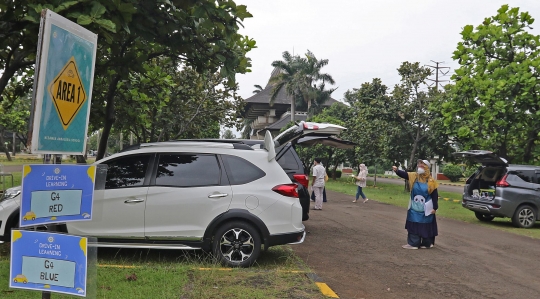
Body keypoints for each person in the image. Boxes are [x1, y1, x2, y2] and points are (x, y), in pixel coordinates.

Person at [392, 160, 439, 249]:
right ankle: (413, 243)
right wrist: (397, 170)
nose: (420, 165)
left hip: (427, 209)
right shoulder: (414, 176)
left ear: (427, 167)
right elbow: (405, 174)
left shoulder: (431, 181)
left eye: (422, 164)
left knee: (427, 225)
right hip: (414, 208)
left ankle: (427, 243)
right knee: (414, 224)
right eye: (419, 164)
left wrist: (435, 207)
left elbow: (434, 196)